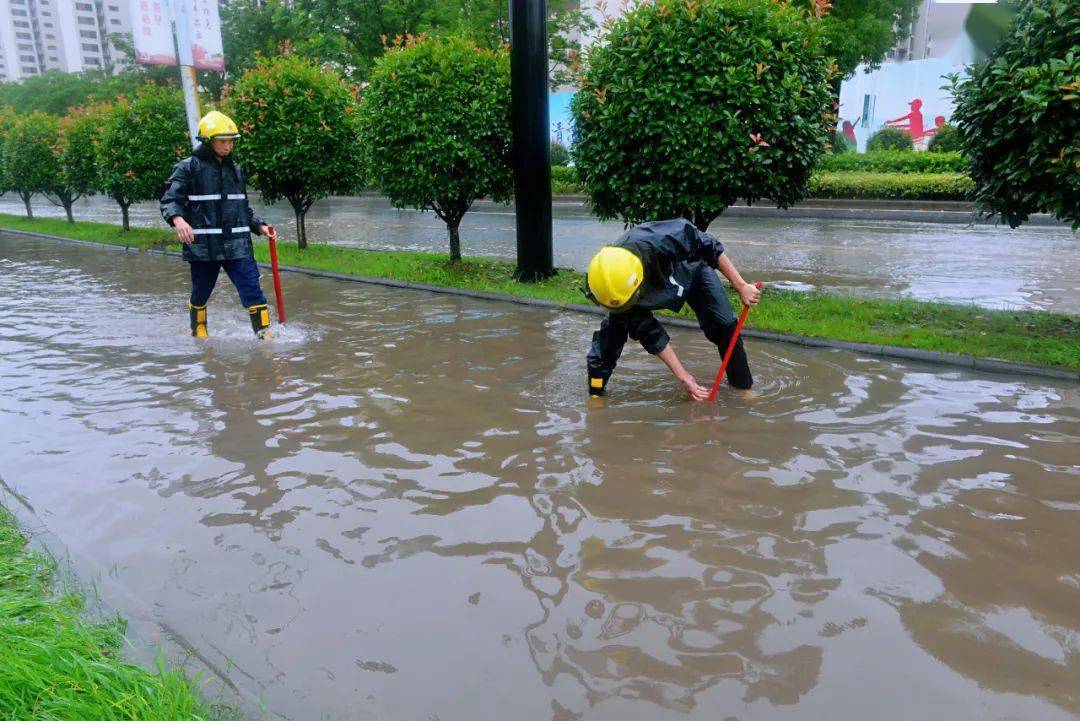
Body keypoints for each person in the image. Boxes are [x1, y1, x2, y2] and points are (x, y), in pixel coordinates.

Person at [584, 218, 760, 401]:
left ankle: (742, 388)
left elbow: (709, 245)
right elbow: (650, 334)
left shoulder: (664, 238)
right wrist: (684, 377)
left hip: (693, 271)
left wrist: (741, 286)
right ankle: (595, 395)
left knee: (725, 326)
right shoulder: (607, 282)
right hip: (641, 291)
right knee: (608, 341)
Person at [160, 110, 273, 339]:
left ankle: (264, 337)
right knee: (201, 292)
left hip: (237, 245)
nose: (228, 146)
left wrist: (259, 225)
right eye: (222, 141)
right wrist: (178, 220)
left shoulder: (236, 170)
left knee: (252, 290)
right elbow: (170, 200)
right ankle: (199, 332)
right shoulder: (188, 167)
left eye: (230, 141)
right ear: (208, 141)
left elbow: (241, 208)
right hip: (203, 247)